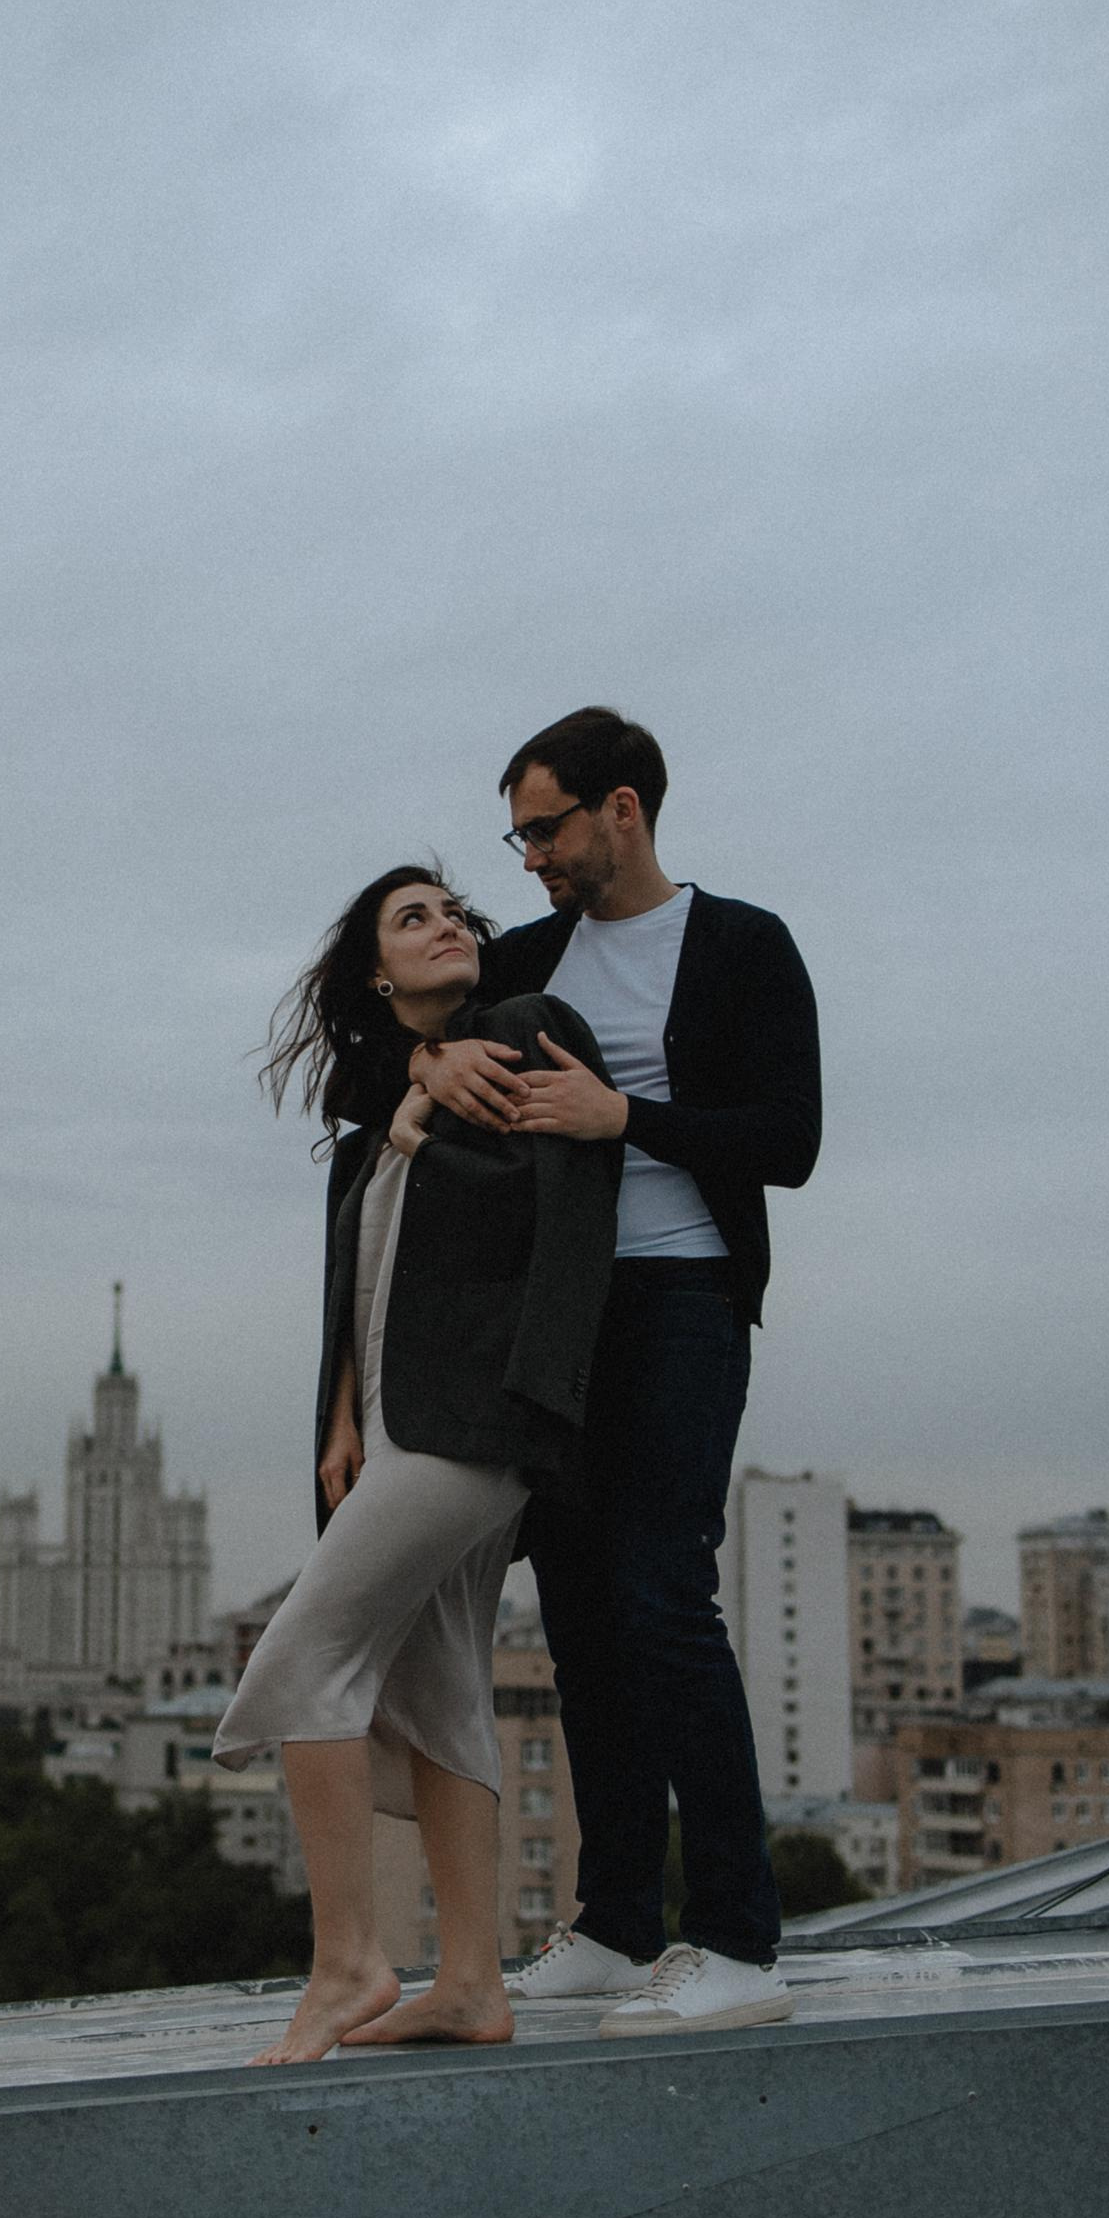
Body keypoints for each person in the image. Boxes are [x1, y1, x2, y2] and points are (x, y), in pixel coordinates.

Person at [405, 707, 821, 2036]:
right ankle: (619, 1919)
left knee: (660, 1596)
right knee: (578, 1610)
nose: (528, 858)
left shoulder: (744, 946)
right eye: (517, 834)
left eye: (545, 828)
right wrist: (434, 1052)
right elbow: (396, 1031)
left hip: (687, 1297)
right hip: (562, 1314)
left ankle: (741, 1939)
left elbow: (790, 1138)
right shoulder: (535, 954)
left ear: (621, 810)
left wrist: (622, 1115)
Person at [213, 865, 621, 2065]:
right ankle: (466, 1983)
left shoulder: (519, 1032)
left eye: (454, 914)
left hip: (474, 1421)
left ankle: (345, 1963)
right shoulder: (368, 1126)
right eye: (414, 919)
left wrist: (431, 1084)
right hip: (400, 1426)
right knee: (443, 1689)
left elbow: (561, 1198)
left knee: (305, 1659)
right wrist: (341, 1417)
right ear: (376, 975)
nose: (447, 926)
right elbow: (361, 1286)